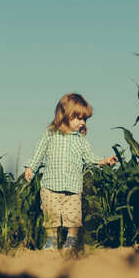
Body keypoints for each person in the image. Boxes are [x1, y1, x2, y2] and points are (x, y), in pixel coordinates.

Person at [24, 93, 118, 251]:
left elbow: (90, 158)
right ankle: (51, 240)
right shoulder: (50, 134)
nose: (82, 122)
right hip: (50, 184)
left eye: (85, 119)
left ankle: (71, 240)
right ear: (65, 115)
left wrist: (104, 161)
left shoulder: (81, 140)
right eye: (79, 118)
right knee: (50, 214)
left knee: (73, 216)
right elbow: (38, 151)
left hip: (73, 187)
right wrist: (30, 167)